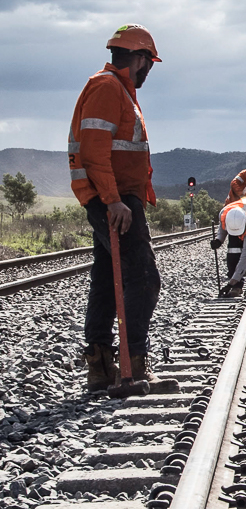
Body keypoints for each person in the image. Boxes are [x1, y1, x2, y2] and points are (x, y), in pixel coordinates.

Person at [68, 24, 176, 392]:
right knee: (144, 278)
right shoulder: (107, 87)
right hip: (111, 198)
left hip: (116, 197)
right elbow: (94, 149)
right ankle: (133, 366)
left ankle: (100, 368)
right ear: (139, 58)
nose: (149, 70)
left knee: (105, 281)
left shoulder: (119, 90)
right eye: (149, 62)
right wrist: (114, 200)